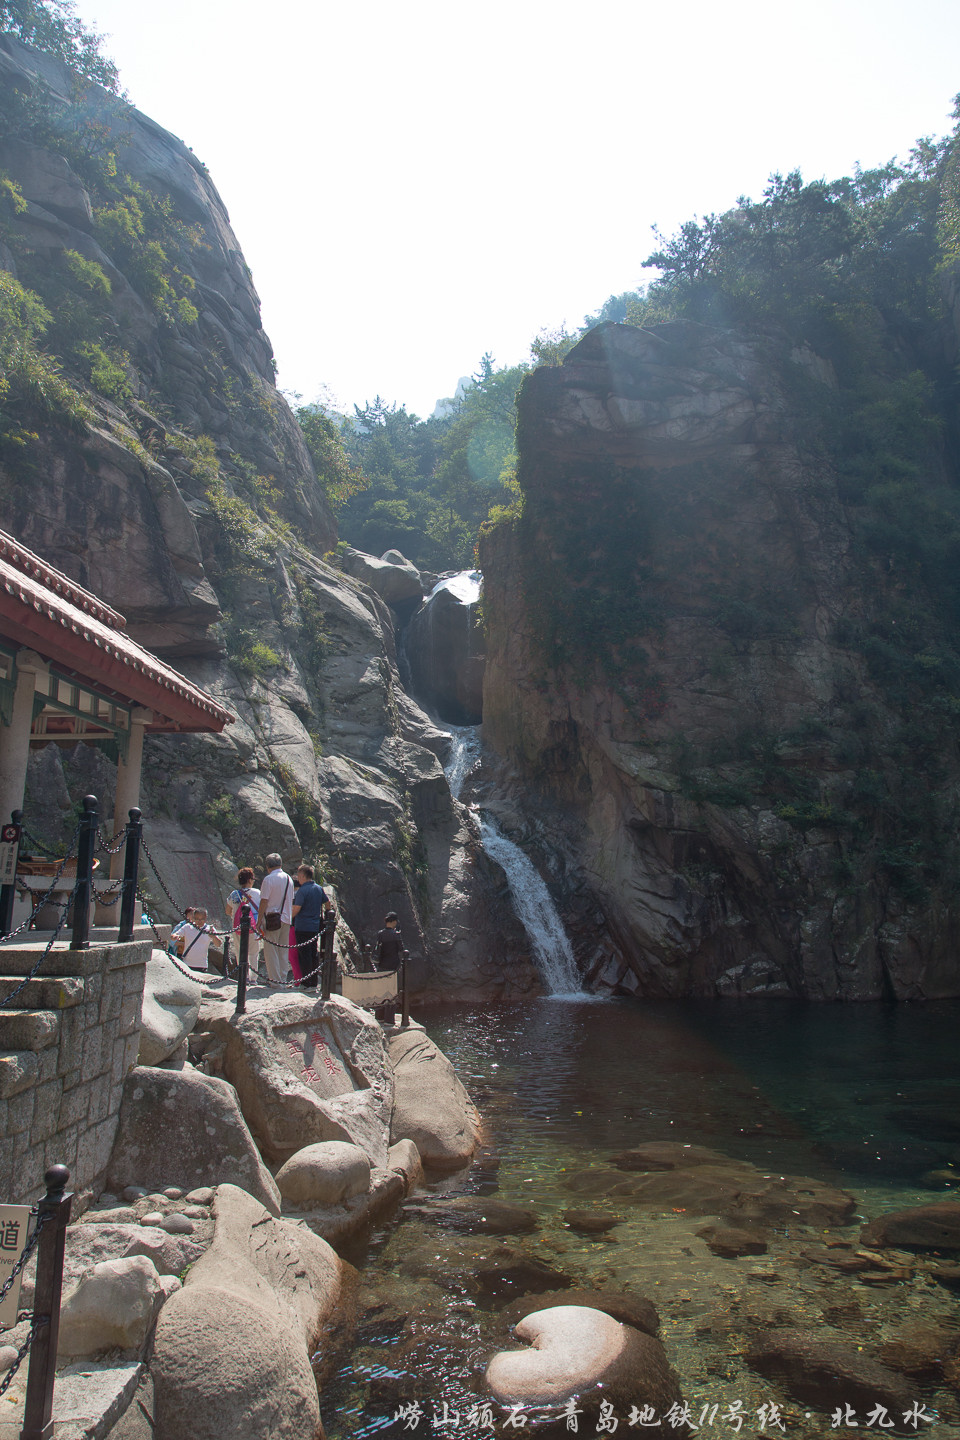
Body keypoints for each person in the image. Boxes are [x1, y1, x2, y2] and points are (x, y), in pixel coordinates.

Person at [290, 864, 333, 989]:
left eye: (299, 875)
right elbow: (327, 903)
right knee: (313, 954)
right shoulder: (318, 888)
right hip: (314, 927)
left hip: (302, 926)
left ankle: (305, 983)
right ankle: (314, 983)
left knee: (304, 955)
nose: (298, 878)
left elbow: (297, 909)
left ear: (303, 875)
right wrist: (327, 916)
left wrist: (288, 919)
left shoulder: (302, 891)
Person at [257, 853, 294, 984]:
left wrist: (259, 921)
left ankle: (275, 981)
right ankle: (283, 980)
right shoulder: (289, 878)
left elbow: (264, 901)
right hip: (286, 919)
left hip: (272, 919)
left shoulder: (269, 879)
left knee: (271, 951)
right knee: (283, 950)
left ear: (267, 866)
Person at [173, 907, 214, 971]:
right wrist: (175, 936)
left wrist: (213, 936)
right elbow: (175, 934)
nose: (199, 921)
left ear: (205, 918)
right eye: (197, 919)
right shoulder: (187, 927)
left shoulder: (210, 929)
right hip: (187, 963)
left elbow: (218, 944)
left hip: (202, 964)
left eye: (202, 919)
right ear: (194, 918)